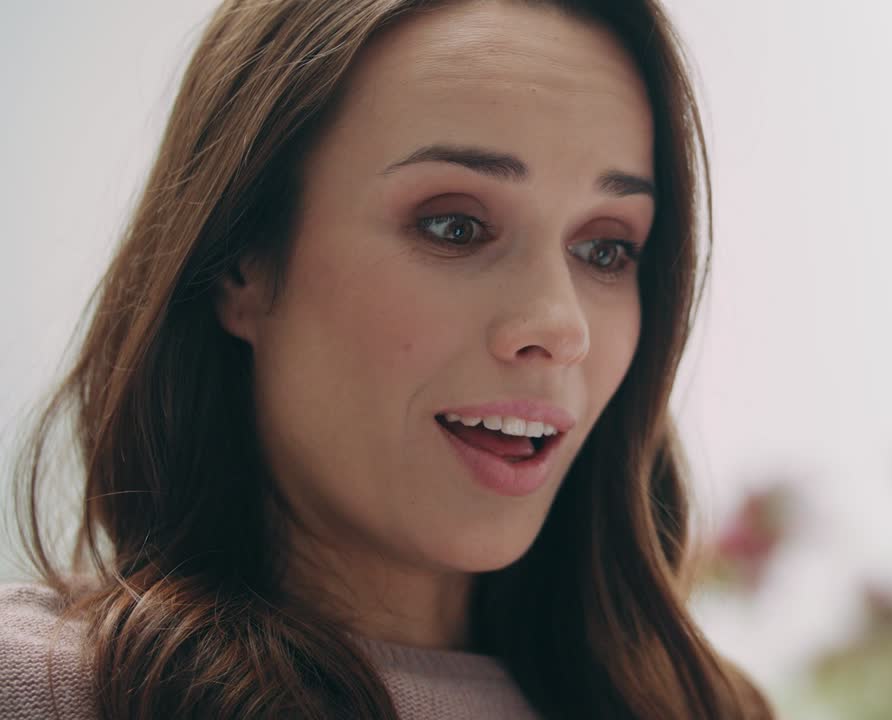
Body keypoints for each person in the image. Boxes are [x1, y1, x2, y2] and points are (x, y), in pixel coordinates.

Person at [0, 1, 774, 718]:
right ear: (244, 260)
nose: (558, 325)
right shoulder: (53, 692)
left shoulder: (707, 709)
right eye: (455, 228)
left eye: (605, 248)